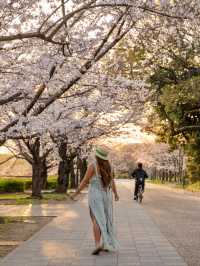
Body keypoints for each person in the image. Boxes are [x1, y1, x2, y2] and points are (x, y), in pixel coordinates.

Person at [71, 147, 119, 255]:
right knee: (105, 218)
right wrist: (115, 193)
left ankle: (98, 244)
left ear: (96, 155)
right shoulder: (110, 167)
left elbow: (84, 182)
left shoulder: (93, 166)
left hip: (95, 196)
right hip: (106, 195)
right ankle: (106, 243)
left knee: (96, 219)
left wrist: (75, 193)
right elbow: (112, 182)